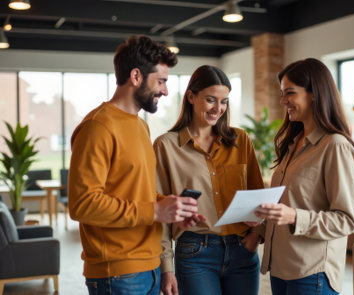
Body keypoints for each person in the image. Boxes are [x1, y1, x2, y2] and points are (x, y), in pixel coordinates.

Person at [68, 35, 201, 295]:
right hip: (117, 273)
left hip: (148, 266)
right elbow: (82, 204)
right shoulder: (98, 127)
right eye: (161, 81)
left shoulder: (140, 125)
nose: (165, 90)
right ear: (136, 77)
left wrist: (170, 207)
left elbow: (136, 192)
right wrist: (154, 211)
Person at [154, 65, 265, 295]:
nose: (218, 108)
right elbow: (161, 214)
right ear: (191, 96)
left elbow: (258, 195)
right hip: (195, 252)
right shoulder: (166, 146)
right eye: (211, 100)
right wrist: (166, 267)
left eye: (224, 101)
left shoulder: (241, 140)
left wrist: (255, 237)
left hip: (242, 250)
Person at [255, 58, 354, 295]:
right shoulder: (294, 143)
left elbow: (345, 220)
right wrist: (260, 228)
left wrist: (293, 216)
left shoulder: (335, 146)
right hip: (281, 267)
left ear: (315, 93)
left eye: (290, 93)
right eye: (282, 93)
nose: (283, 101)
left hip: (312, 273)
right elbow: (290, 203)